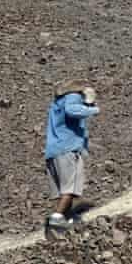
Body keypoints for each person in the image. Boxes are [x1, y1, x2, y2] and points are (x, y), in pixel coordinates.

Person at [44, 81, 100, 230]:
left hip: (54, 150)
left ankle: (66, 219)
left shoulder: (56, 103)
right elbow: (72, 110)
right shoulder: (73, 96)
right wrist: (93, 108)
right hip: (67, 149)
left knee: (65, 190)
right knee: (70, 188)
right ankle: (56, 219)